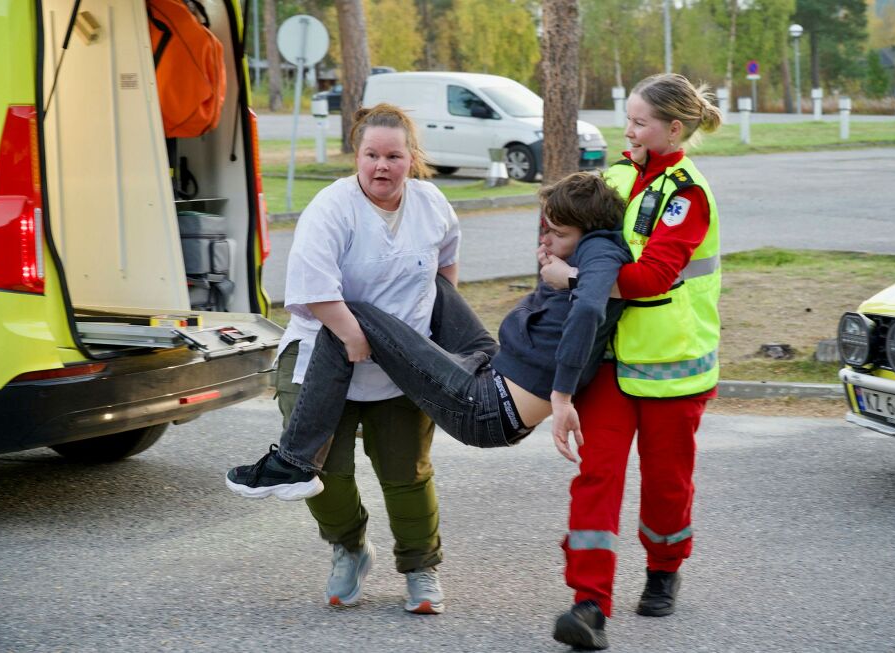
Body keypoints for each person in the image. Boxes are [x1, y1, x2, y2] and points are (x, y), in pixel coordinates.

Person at [228, 171, 632, 496]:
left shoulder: (600, 252)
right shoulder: (587, 249)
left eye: (558, 233)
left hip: (486, 409)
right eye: (545, 229)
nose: (546, 239)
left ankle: (294, 463)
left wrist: (562, 397)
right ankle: (399, 345)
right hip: (492, 368)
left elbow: (590, 309)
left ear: (590, 229)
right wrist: (557, 269)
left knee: (349, 318)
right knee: (431, 281)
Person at [235, 103, 460, 615]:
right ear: (357, 156)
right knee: (318, 472)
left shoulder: (431, 203)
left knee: (407, 471)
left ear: (412, 158)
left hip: (400, 362)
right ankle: (350, 546)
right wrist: (354, 338)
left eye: (394, 156)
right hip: (325, 351)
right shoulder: (331, 207)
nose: (382, 166)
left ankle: (421, 567)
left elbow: (447, 262)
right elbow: (315, 289)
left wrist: (438, 328)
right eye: (371, 155)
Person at [540, 74, 723, 651]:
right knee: (597, 477)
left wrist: (572, 279)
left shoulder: (688, 194)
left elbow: (647, 278)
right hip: (611, 363)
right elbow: (565, 229)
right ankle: (588, 603)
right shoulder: (616, 175)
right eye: (627, 118)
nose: (629, 130)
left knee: (667, 485)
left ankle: (664, 571)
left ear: (675, 128)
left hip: (673, 365)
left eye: (640, 122)